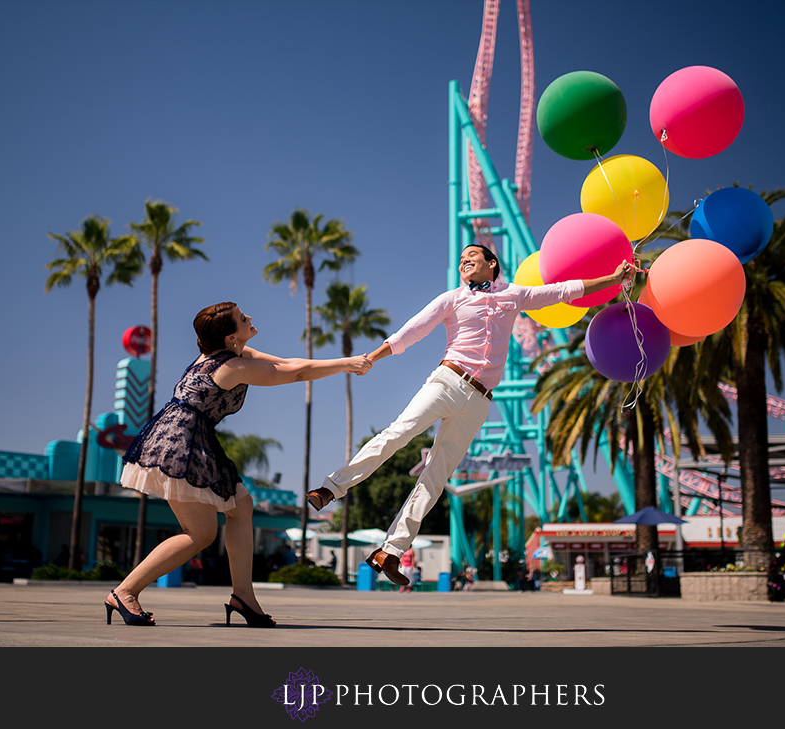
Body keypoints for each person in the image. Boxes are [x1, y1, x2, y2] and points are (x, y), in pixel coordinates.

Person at [305, 244, 631, 584]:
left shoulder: (514, 296)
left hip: (479, 402)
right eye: (461, 258)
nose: (464, 260)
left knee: (436, 477)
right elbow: (412, 331)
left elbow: (563, 291)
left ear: (492, 264)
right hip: (447, 381)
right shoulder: (452, 299)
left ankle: (391, 551)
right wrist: (372, 357)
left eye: (471, 256)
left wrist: (613, 278)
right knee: (397, 433)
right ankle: (331, 488)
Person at [104, 302, 371, 627]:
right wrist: (347, 364)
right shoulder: (232, 366)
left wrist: (346, 362)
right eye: (244, 319)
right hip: (182, 440)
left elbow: (290, 362)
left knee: (241, 506)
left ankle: (243, 596)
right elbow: (296, 373)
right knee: (200, 533)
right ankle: (125, 591)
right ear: (231, 337)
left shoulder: (232, 354)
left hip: (186, 435)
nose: (251, 319)